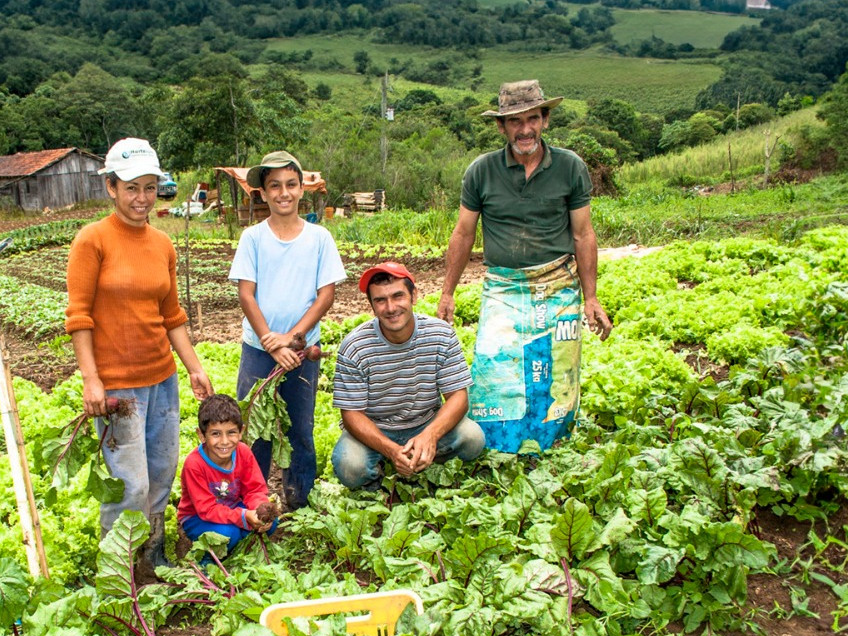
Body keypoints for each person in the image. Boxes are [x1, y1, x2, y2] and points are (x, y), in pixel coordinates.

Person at [436, 79, 613, 455]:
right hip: (504, 287)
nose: (525, 129)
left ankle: (551, 452)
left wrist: (591, 298)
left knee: (555, 373)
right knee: (493, 368)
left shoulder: (570, 167)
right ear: (501, 127)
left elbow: (583, 235)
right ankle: (500, 451)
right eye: (515, 122)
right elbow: (464, 233)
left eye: (532, 118)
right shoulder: (481, 171)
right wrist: (447, 292)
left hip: (559, 286)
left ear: (545, 120)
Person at [66, 137, 214, 569]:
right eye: (131, 188)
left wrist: (194, 368)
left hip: (162, 381)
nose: (141, 198)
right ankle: (119, 568)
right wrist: (92, 379)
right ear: (110, 187)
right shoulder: (92, 241)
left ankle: (152, 557)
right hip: (119, 388)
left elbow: (171, 315)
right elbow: (78, 316)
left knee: (161, 474)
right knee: (128, 483)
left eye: (149, 187)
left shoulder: (161, 244)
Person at [229, 150, 346, 510]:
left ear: (302, 189)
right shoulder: (252, 238)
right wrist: (270, 340)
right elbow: (246, 293)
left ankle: (300, 499)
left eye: (290, 185)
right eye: (274, 186)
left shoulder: (319, 238)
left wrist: (292, 338)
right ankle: (254, 500)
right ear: (262, 193)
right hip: (257, 350)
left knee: (299, 428)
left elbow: (326, 294)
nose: (283, 192)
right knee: (255, 429)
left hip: (302, 350)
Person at [330, 262, 485, 489]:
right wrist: (390, 449)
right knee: (349, 466)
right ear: (372, 306)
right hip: (377, 430)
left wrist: (430, 435)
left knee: (472, 439)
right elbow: (352, 415)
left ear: (414, 295)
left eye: (398, 296)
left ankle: (425, 459)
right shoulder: (355, 346)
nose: (391, 307)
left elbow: (458, 397)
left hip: (425, 421)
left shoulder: (440, 334)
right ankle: (385, 473)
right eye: (380, 300)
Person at [177, 395, 276, 557]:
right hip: (197, 517)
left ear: (241, 432)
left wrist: (260, 509)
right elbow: (207, 510)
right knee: (227, 534)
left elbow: (255, 489)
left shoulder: (243, 452)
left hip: (232, 508)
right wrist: (243, 516)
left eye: (231, 433)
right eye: (215, 434)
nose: (224, 441)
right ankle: (205, 562)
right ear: (201, 435)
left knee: (270, 523)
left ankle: (239, 545)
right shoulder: (194, 464)